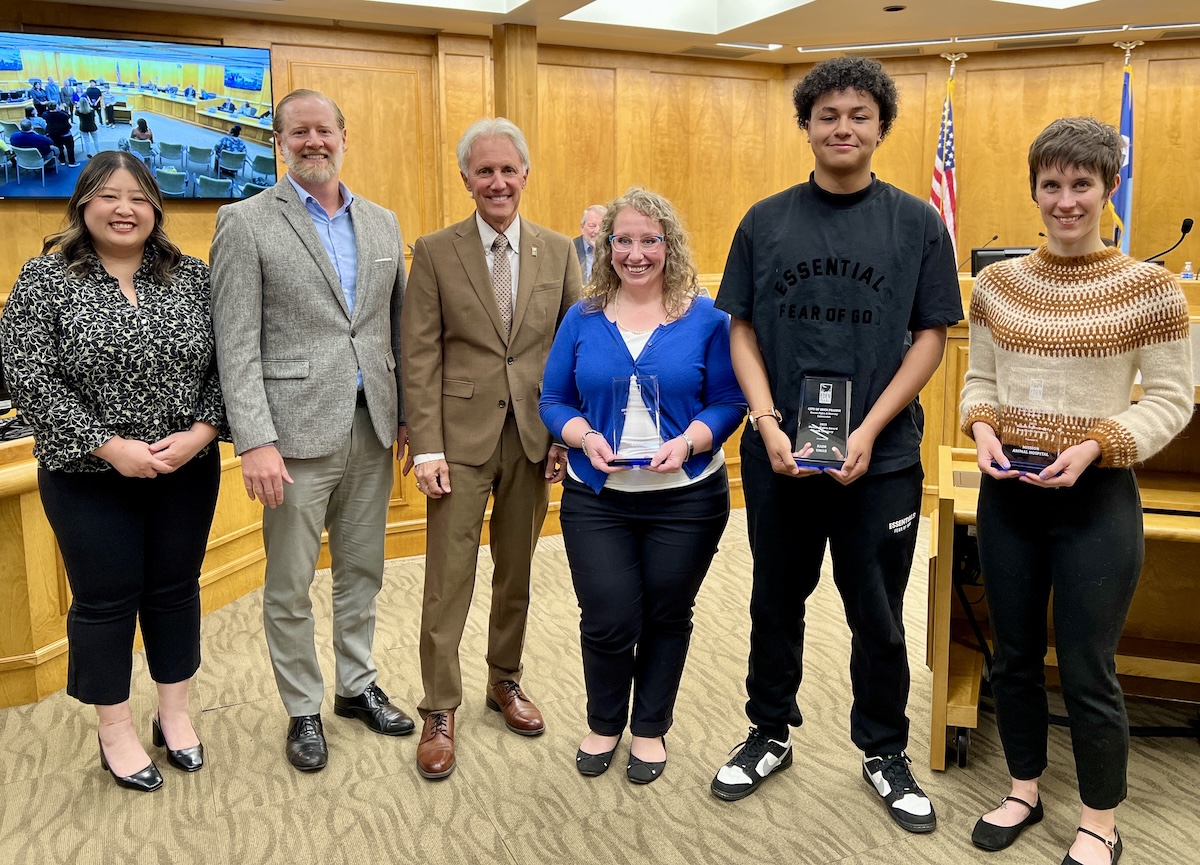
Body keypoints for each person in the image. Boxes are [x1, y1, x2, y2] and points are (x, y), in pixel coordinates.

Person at [708, 56, 962, 832]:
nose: (843, 127)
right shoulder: (765, 221)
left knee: (877, 612)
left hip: (879, 461)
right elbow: (740, 328)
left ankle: (884, 748)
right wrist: (765, 420)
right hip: (780, 454)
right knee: (774, 599)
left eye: (859, 115)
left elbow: (931, 336)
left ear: (881, 127)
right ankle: (769, 730)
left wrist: (870, 427)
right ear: (807, 126)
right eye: (828, 115)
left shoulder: (918, 223)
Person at [962, 117, 1194, 865]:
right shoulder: (997, 284)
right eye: (1052, 185)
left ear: (1109, 188)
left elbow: (1171, 399)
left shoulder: (1151, 288)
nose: (1066, 200)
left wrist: (1098, 443)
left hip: (1097, 501)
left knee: (1089, 668)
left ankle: (1100, 820)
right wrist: (981, 427)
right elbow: (979, 379)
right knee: (1014, 657)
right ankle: (1023, 788)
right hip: (1010, 497)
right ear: (1034, 190)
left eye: (1082, 184)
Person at [0, 152, 225, 793]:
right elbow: (31, 380)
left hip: (187, 467)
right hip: (87, 476)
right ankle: (115, 729)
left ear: (156, 207)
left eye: (138, 197)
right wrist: (108, 446)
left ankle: (174, 714)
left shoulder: (193, 277)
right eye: (108, 195)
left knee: (176, 589)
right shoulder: (44, 279)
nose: (124, 209)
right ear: (82, 204)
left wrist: (202, 433)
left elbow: (228, 365)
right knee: (105, 600)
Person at [210, 88, 413, 773]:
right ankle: (302, 707)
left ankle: (356, 685)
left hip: (371, 426)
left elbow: (397, 329)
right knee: (290, 583)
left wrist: (406, 415)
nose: (313, 142)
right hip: (290, 437)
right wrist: (254, 440)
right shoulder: (244, 221)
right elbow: (235, 342)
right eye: (298, 132)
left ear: (344, 136)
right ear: (280, 144)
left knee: (363, 569)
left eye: (324, 130)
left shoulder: (382, 223)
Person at [539, 188, 745, 784]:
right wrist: (581, 436)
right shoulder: (582, 317)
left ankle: (650, 727)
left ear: (668, 245)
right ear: (607, 247)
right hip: (597, 498)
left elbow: (728, 401)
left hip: (687, 499)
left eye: (649, 240)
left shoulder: (707, 318)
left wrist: (690, 442)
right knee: (607, 615)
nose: (636, 253)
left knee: (666, 613)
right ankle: (605, 722)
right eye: (623, 240)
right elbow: (554, 399)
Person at [401, 116, 581, 780]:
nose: (498, 181)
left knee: (517, 572)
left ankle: (504, 678)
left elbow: (572, 350)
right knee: (448, 579)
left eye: (508, 169)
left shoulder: (558, 251)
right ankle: (439, 706)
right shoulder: (434, 251)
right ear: (466, 178)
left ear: (525, 175)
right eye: (485, 170)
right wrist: (426, 447)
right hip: (458, 442)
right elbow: (419, 355)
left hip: (533, 436)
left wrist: (564, 434)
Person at [572, 204, 605, 282]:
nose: (597, 231)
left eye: (602, 226)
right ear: (582, 227)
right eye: (592, 226)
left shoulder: (614, 249)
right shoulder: (570, 249)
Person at [75, 88, 100, 158]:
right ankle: (98, 151)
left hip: (83, 127)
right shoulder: (92, 111)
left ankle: (89, 153)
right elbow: (94, 117)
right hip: (92, 126)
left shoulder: (79, 111)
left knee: (87, 141)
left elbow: (75, 113)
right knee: (95, 139)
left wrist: (78, 106)